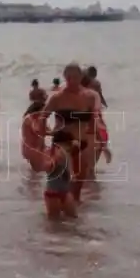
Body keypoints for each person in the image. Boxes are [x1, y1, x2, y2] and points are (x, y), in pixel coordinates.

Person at [41, 63, 100, 201]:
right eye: (69, 78)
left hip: (84, 141)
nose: (72, 81)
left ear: (81, 77)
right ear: (65, 78)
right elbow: (43, 116)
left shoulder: (90, 96)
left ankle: (72, 218)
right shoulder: (57, 97)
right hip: (63, 141)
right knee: (62, 179)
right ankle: (58, 210)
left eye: (75, 77)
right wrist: (44, 133)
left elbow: (95, 115)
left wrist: (95, 135)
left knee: (79, 182)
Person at [43, 131, 81, 219]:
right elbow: (47, 167)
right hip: (53, 193)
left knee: (72, 218)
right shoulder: (53, 154)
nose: (68, 147)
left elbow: (76, 146)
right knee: (56, 220)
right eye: (67, 145)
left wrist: (71, 174)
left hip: (63, 192)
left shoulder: (67, 153)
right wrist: (54, 161)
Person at [21, 101, 48, 171]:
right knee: (37, 171)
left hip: (38, 148)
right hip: (31, 148)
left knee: (36, 172)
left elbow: (48, 131)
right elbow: (37, 130)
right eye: (43, 110)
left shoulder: (39, 119)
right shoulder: (28, 119)